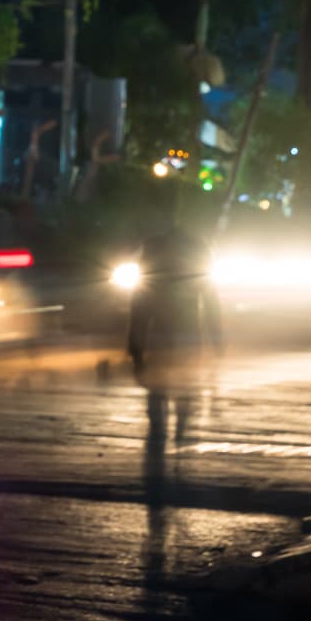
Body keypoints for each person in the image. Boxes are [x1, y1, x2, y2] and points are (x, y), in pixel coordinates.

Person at [126, 203, 222, 505]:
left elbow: (140, 302)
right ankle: (179, 432)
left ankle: (160, 435)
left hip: (161, 331)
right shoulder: (198, 248)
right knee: (183, 385)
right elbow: (210, 297)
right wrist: (216, 336)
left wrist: (136, 344)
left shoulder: (154, 248)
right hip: (186, 330)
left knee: (158, 389)